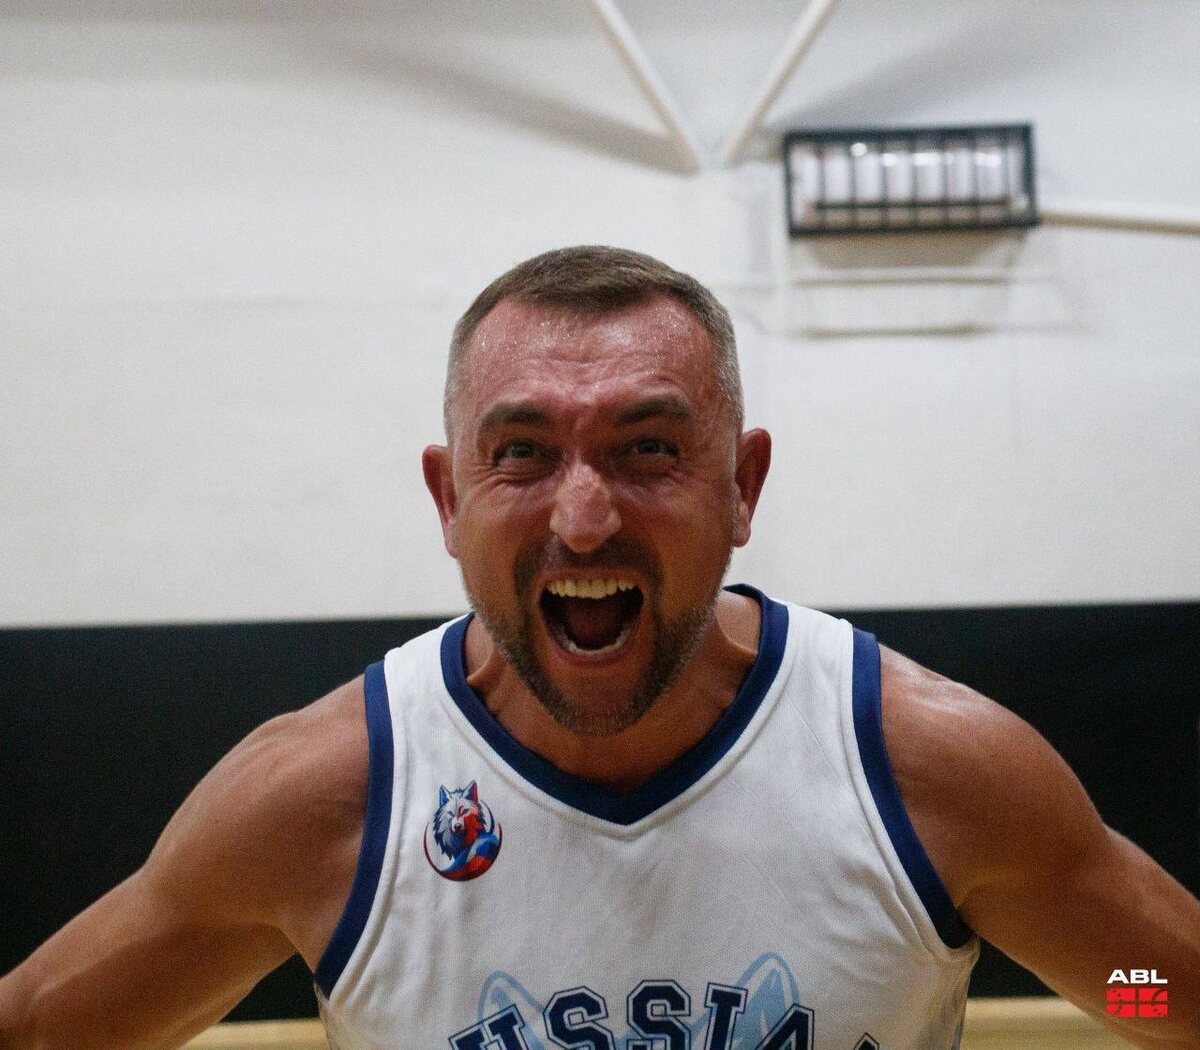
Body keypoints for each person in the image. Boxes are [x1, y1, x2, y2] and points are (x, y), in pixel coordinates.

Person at [0, 246, 1196, 1050]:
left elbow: (1160, 995)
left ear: (742, 487)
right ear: (449, 499)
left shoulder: (925, 770)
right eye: (522, 452)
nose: (583, 517)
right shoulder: (325, 803)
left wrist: (1111, 992)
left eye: (648, 449)